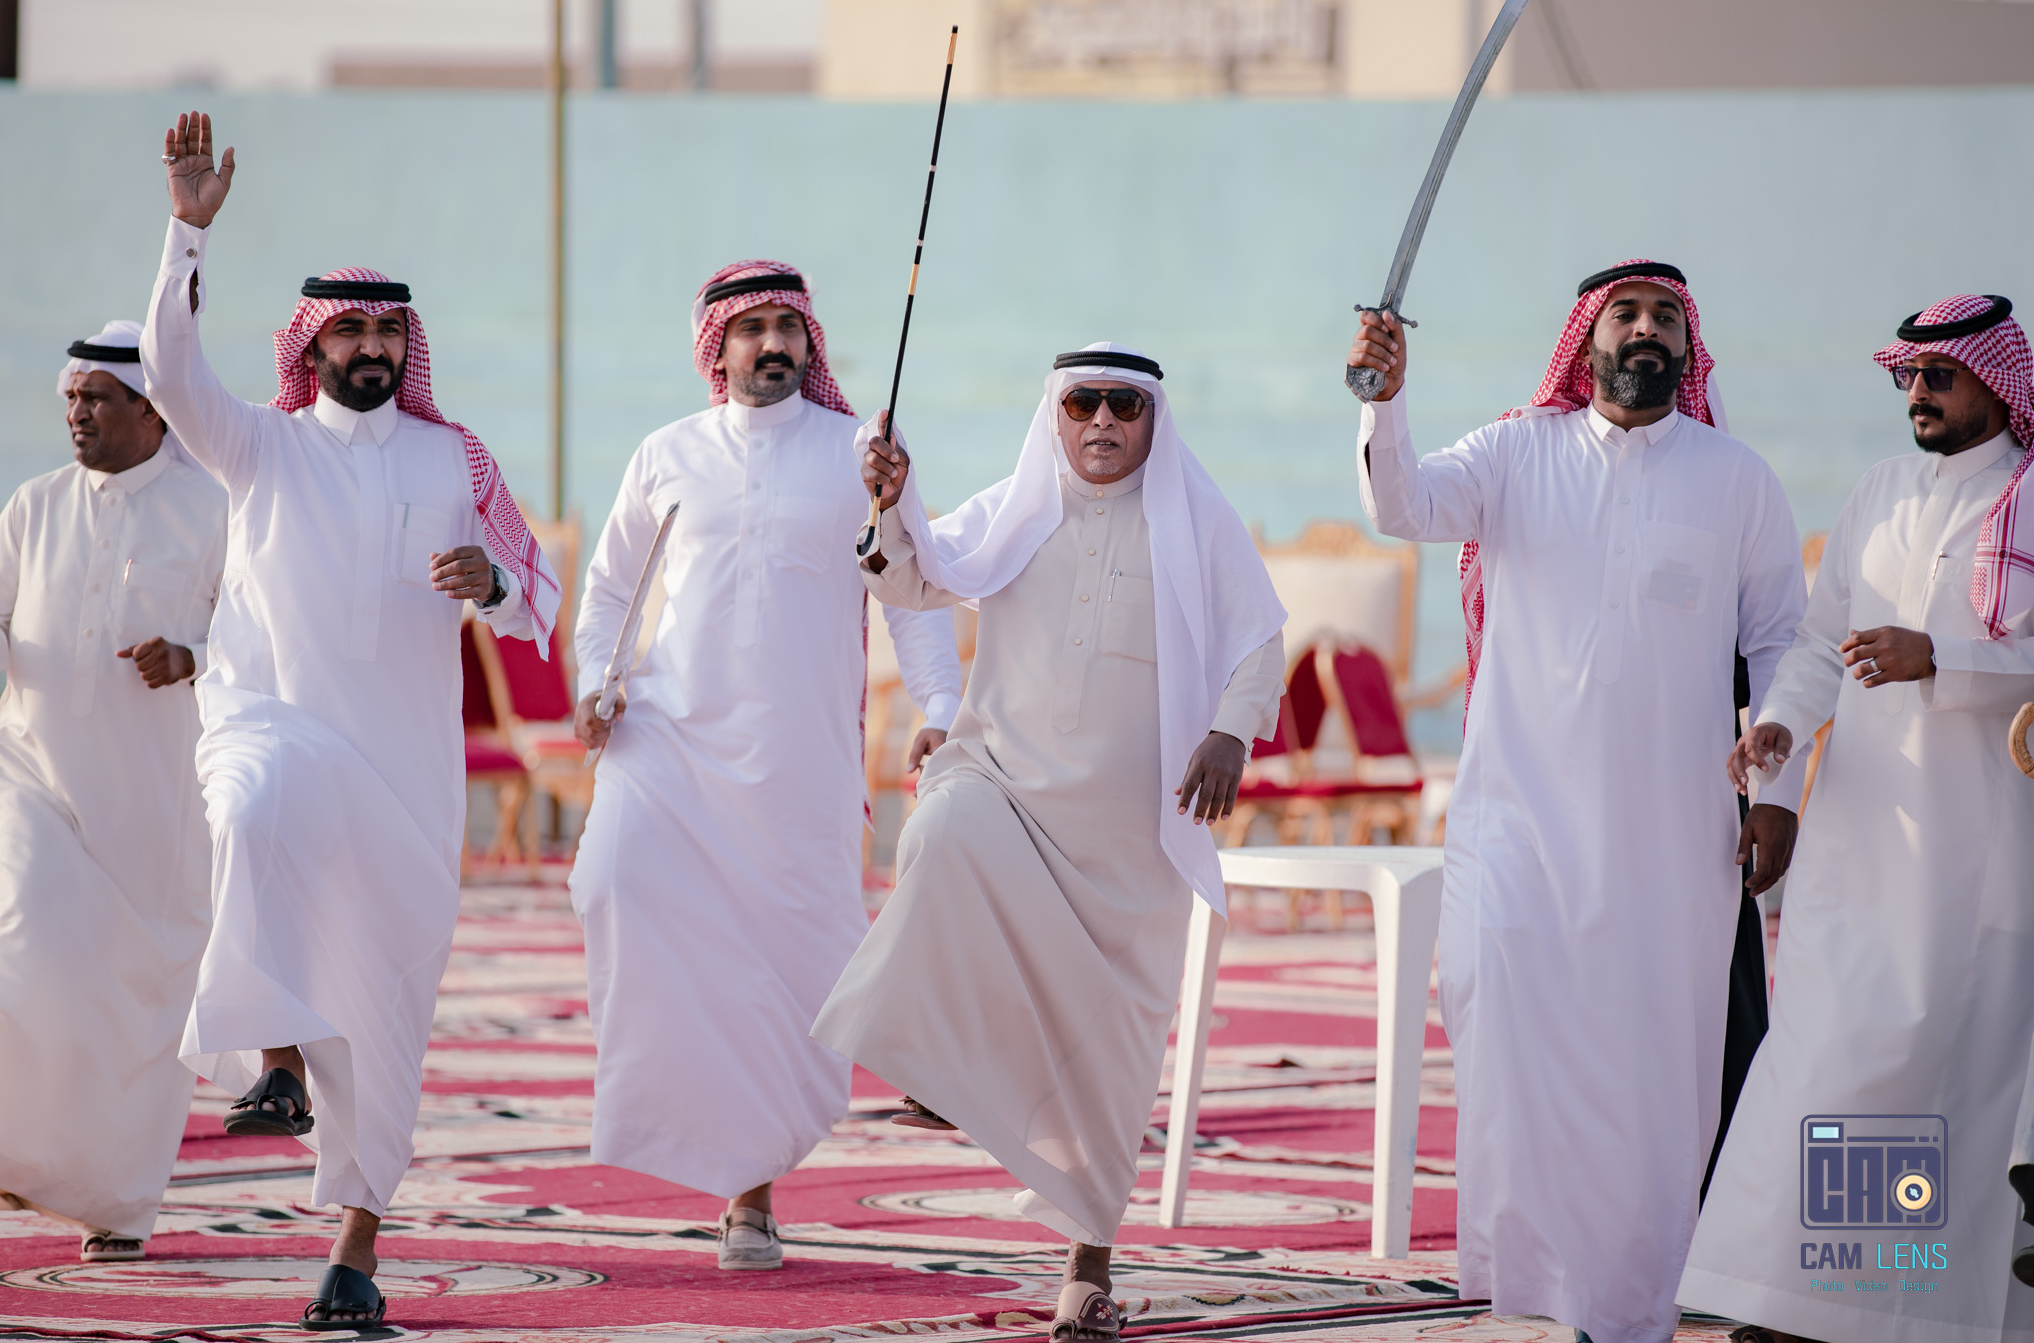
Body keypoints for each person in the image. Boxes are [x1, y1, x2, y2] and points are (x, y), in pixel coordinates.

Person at [140, 112, 559, 1331]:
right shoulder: (258, 445)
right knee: (251, 807)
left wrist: (491, 585)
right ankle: (273, 1056)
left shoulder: (454, 458)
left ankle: (354, 1251)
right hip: (272, 718)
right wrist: (186, 234)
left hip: (404, 779)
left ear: (405, 348)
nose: (371, 347)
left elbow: (538, 597)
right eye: (349, 331)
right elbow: (169, 374)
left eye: (388, 333)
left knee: (385, 1019)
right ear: (311, 345)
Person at [1344, 262, 1808, 1343]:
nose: (1645, 330)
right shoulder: (1514, 452)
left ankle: (1630, 1301)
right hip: (1514, 821)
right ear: (1585, 340)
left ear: (1686, 345)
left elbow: (1780, 640)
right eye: (1624, 314)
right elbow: (1401, 506)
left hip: (1669, 833)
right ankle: (1539, 1282)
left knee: (1656, 1070)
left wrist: (1776, 791)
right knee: (1505, 1029)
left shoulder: (1735, 479)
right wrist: (1384, 400)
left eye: (1664, 317)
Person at [812, 343, 1286, 1341]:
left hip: (1132, 839)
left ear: (1152, 417)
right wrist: (889, 503)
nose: (1102, 421)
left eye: (1122, 405)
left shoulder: (1198, 520)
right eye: (1082, 404)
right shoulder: (1015, 509)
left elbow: (1258, 638)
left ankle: (1086, 1272)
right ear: (1057, 415)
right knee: (942, 825)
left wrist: (1231, 731)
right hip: (1009, 783)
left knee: (1105, 1065)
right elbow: (913, 579)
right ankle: (936, 1060)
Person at [568, 260, 963, 1271]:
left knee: (782, 976)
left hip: (799, 756)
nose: (773, 343)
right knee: (609, 878)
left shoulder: (862, 454)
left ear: (809, 342)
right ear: (718, 346)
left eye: (789, 325)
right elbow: (608, 590)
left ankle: (750, 1193)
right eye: (752, 328)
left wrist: (942, 710)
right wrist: (595, 681)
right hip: (667, 738)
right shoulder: (666, 453)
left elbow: (911, 591)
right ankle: (667, 1111)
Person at [1680, 293, 2034, 1343]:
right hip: (1856, 835)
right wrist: (1778, 744)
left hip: (1975, 851)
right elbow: (1813, 644)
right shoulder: (1879, 489)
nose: (1916, 393)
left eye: (1937, 377)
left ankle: (1883, 1309)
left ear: (1996, 383)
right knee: (1827, 1056)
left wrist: (1944, 658)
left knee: (1915, 1071)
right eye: (1904, 377)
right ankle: (1812, 1296)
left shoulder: (2028, 498)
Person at [0, 322, 224, 1264]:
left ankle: (116, 1200)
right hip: (33, 772)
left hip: (156, 802)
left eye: (96, 398)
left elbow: (262, 635)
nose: (77, 413)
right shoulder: (35, 504)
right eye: (71, 397)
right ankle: (7, 1142)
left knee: (137, 999)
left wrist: (192, 656)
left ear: (151, 410)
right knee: (22, 939)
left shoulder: (213, 510)